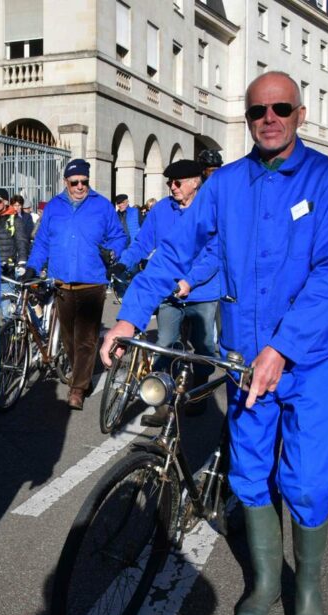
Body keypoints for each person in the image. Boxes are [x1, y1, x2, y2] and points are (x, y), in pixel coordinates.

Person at [101, 72, 328, 615]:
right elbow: (175, 251)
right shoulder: (226, 184)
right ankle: (266, 580)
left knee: (308, 478)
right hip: (245, 359)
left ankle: (306, 586)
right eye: (258, 110)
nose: (269, 118)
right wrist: (129, 315)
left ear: (300, 113)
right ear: (247, 117)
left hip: (307, 359)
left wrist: (283, 347)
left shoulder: (327, 179)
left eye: (280, 108)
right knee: (247, 468)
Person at [110, 159, 216, 424]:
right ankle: (162, 404)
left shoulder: (209, 209)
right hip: (168, 289)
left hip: (202, 290)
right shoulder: (161, 211)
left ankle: (199, 392)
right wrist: (124, 262)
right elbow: (143, 242)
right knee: (165, 344)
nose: (172, 187)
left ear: (195, 183)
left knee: (203, 347)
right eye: (169, 182)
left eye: (178, 182)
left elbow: (214, 254)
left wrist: (190, 281)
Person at [24, 159, 127, 409]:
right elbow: (43, 243)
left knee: (86, 339)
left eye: (84, 181)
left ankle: (77, 389)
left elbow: (119, 237)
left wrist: (113, 252)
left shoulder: (101, 206)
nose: (80, 186)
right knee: (69, 339)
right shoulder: (54, 207)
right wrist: (32, 266)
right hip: (62, 284)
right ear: (66, 182)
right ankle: (82, 376)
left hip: (92, 283)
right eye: (75, 182)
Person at [0, 188, 29, 320]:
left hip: (6, 271)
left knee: (7, 310)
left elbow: (22, 242)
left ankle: (12, 338)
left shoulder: (14, 220)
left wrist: (22, 263)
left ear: (5, 202)